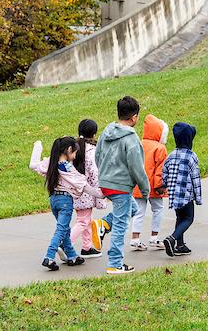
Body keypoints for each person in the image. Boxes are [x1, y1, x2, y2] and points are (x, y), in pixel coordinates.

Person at [94, 96, 149, 274]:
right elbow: (137, 167)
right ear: (134, 117)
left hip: (106, 182)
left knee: (131, 210)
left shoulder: (106, 132)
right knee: (121, 224)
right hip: (120, 186)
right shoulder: (131, 139)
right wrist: (145, 189)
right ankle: (115, 263)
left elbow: (97, 155)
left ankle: (103, 224)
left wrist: (104, 173)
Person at [30, 137, 101, 270]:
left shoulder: (50, 163)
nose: (74, 157)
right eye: (74, 153)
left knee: (65, 229)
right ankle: (49, 256)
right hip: (65, 202)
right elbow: (82, 184)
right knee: (61, 230)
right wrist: (101, 194)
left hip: (54, 200)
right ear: (68, 150)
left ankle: (72, 256)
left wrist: (37, 146)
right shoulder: (66, 166)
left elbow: (33, 165)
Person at [161, 122, 201, 257]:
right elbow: (195, 178)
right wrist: (198, 197)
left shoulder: (171, 155)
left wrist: (165, 185)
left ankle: (180, 245)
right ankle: (172, 238)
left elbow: (164, 173)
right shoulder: (191, 156)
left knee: (180, 217)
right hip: (186, 194)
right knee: (188, 218)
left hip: (174, 194)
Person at [130, 114, 168, 251]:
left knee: (139, 212)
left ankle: (135, 238)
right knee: (157, 210)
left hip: (138, 185)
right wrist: (160, 186)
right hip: (153, 187)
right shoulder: (160, 148)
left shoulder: (139, 143)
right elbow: (160, 170)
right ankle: (154, 237)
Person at [68, 120, 106, 258]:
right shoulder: (92, 150)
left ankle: (87, 247)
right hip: (87, 190)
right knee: (83, 221)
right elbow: (95, 173)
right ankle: (65, 244)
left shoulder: (73, 148)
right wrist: (99, 192)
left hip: (75, 190)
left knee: (85, 219)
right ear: (94, 134)